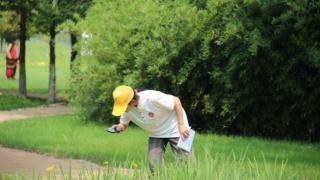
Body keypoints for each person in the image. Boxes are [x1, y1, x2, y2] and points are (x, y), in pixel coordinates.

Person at [111, 85, 192, 173]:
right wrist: (119, 127)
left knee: (186, 163)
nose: (122, 109)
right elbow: (124, 124)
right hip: (156, 133)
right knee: (154, 164)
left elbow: (176, 101)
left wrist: (182, 124)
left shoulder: (151, 97)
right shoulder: (127, 110)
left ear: (133, 101)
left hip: (177, 129)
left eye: (123, 106)